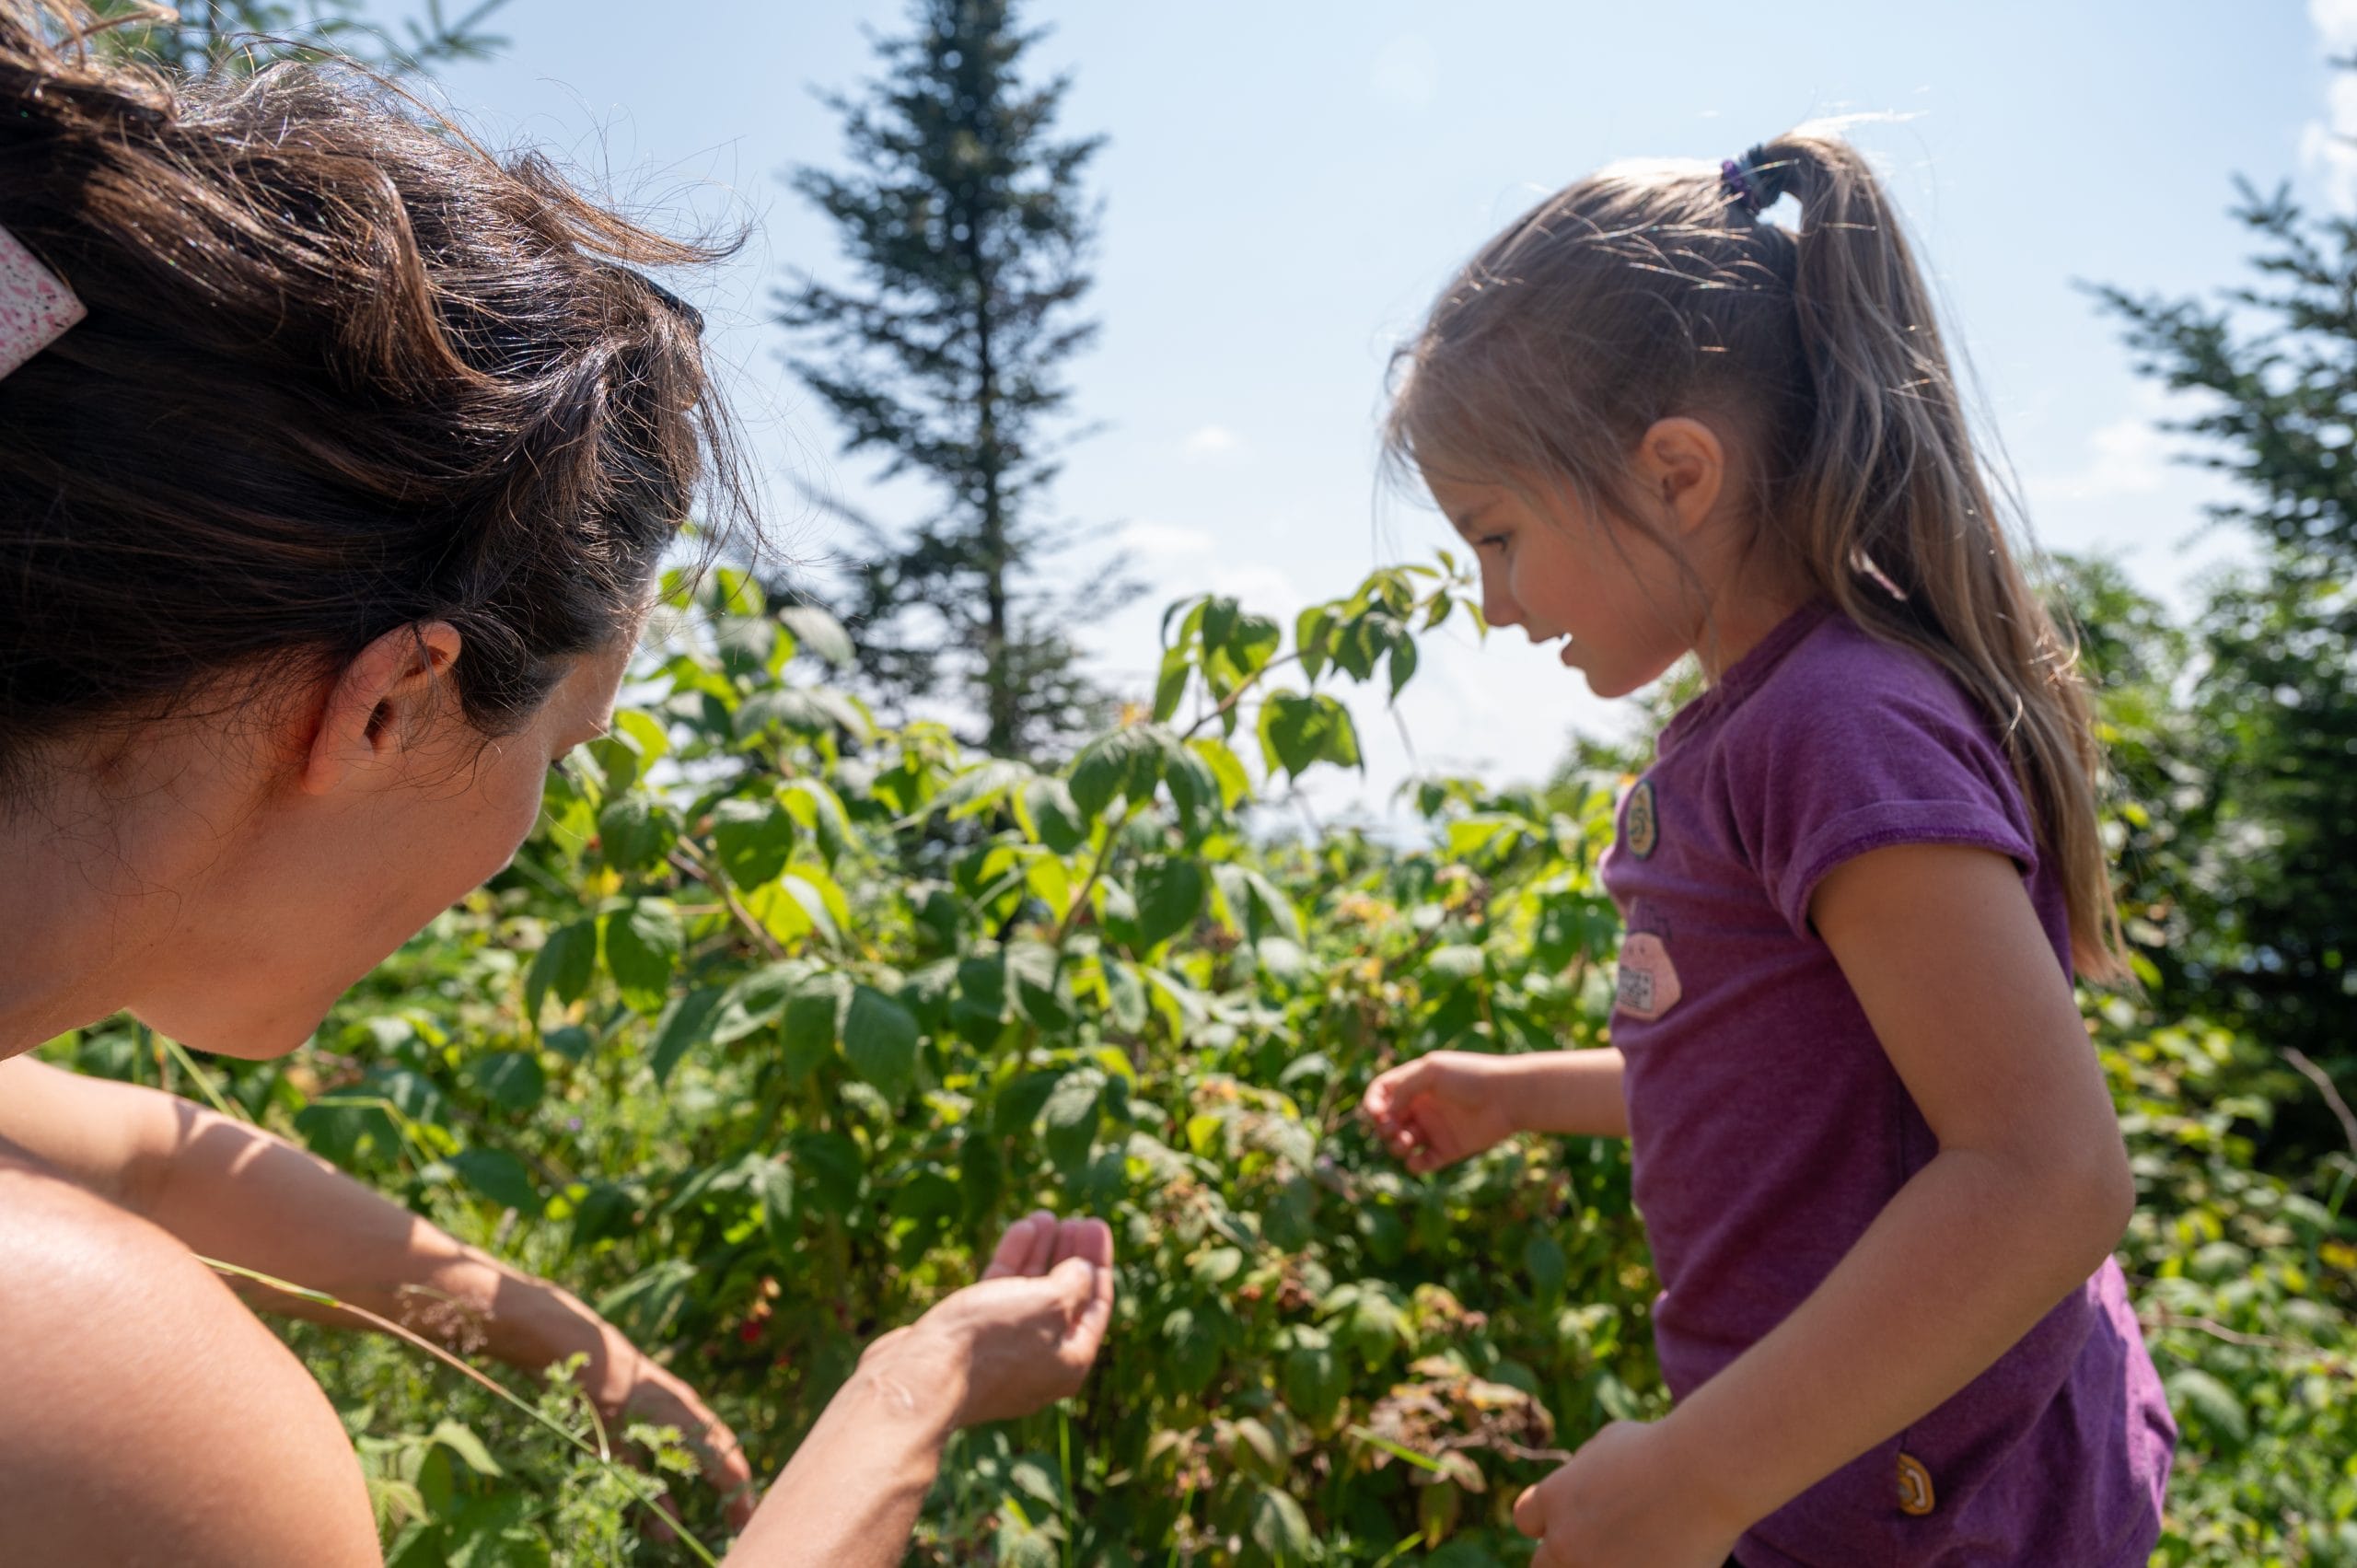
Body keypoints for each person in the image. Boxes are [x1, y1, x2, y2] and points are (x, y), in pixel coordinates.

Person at [0, 5, 1111, 1564]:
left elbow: (158, 1154)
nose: (537, 823)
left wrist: (573, 1346)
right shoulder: (117, 1402)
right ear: (392, 706)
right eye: (560, 751)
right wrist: (908, 1395)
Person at [1362, 132, 2178, 1568]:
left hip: (1953, 1518)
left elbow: (2046, 1173)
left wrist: (1695, 1479)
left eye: (1497, 537)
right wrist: (1519, 1092)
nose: (1491, 604)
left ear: (1677, 475)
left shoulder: (1834, 726)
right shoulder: (1771, 725)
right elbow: (1800, 1092)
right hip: (1853, 1490)